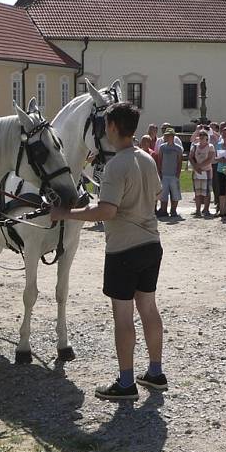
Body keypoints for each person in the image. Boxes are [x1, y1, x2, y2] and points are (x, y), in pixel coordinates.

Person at [51, 102, 166, 401]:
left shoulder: (116, 164)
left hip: (124, 249)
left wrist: (66, 214)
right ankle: (155, 372)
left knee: (124, 316)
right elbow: (156, 193)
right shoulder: (147, 158)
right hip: (151, 244)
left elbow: (106, 211)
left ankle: (126, 383)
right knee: (149, 309)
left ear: (113, 127)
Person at [156, 128, 182, 217]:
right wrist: (160, 172)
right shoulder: (162, 147)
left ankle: (173, 210)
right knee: (164, 194)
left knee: (175, 194)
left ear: (172, 136)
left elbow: (179, 162)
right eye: (166, 135)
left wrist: (178, 174)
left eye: (168, 135)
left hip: (174, 174)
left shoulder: (178, 148)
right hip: (164, 174)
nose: (166, 137)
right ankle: (163, 210)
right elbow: (160, 160)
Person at [189, 129, 215, 217]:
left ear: (207, 137)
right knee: (197, 192)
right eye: (200, 135)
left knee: (206, 192)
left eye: (204, 135)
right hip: (197, 172)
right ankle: (197, 210)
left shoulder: (210, 146)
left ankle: (206, 209)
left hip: (206, 171)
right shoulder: (195, 146)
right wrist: (196, 167)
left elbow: (210, 159)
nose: (202, 137)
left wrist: (199, 166)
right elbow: (191, 157)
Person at [214, 126, 226, 217]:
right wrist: (219, 158)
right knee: (221, 190)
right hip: (220, 170)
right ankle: (222, 210)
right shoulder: (219, 145)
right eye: (223, 133)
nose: (224, 135)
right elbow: (215, 157)